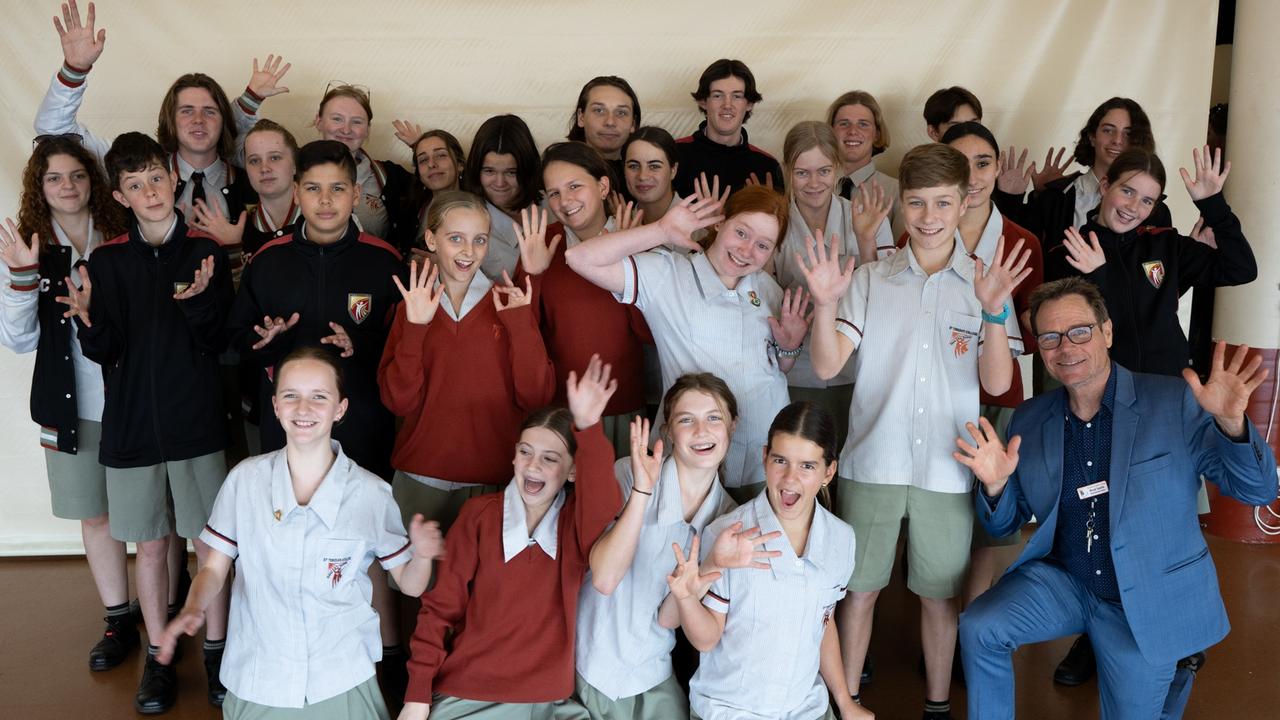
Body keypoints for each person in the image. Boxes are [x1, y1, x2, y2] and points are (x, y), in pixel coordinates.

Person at [955, 278, 1277, 720]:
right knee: (980, 627)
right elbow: (1003, 524)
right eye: (1049, 337)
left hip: (1141, 600)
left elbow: (1258, 490)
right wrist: (993, 486)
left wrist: (1232, 425)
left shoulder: (1172, 401)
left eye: (1080, 331)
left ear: (1106, 332)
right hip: (1066, 581)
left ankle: (1174, 666)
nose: (1065, 348)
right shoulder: (1030, 419)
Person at [803, 143, 1029, 719]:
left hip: (948, 468)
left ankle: (935, 705)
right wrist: (826, 304)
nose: (928, 217)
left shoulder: (982, 284)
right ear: (900, 205)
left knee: (939, 595)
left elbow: (998, 381)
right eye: (917, 203)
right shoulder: (873, 278)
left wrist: (997, 314)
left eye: (942, 203)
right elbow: (828, 366)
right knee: (860, 591)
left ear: (965, 202)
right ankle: (846, 701)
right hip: (872, 463)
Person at [157, 346, 445, 720]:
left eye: (319, 397)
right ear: (275, 406)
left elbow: (409, 584)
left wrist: (422, 555)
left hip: (339, 677)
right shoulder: (245, 480)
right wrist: (193, 607)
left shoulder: (371, 494)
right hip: (260, 675)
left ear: (340, 409)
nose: (303, 408)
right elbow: (214, 569)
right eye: (291, 395)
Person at [60, 131, 234, 713]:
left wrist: (199, 304)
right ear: (121, 196)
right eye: (135, 185)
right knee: (153, 549)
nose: (150, 191)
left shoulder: (205, 250)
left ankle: (216, 653)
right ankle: (158, 655)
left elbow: (220, 343)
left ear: (172, 179)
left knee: (210, 547)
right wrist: (87, 321)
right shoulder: (105, 262)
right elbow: (106, 351)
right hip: (132, 431)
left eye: (157, 178)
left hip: (196, 427)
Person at [400, 355, 625, 720]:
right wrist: (416, 697)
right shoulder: (478, 516)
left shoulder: (575, 525)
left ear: (572, 472)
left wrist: (588, 426)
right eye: (525, 453)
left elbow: (603, 502)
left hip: (550, 701)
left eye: (550, 458)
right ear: (514, 459)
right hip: (468, 694)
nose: (533, 465)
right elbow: (439, 610)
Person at [565, 181, 809, 499]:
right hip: (692, 459)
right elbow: (579, 257)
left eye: (763, 245)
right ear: (720, 222)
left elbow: (776, 368)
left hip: (763, 457)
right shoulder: (669, 274)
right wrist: (662, 230)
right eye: (742, 233)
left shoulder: (767, 289)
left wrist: (789, 345)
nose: (747, 250)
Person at [0, 135, 129, 672]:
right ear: (39, 186)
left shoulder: (121, 235)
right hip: (68, 408)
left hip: (131, 400)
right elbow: (18, 339)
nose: (68, 186)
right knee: (95, 519)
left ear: (92, 178)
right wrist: (22, 277)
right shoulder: (30, 246)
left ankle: (166, 610)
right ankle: (119, 619)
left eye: (77, 174)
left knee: (149, 520)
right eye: (54, 177)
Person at [39, 1, 290, 266]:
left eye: (209, 112)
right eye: (186, 111)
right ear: (169, 120)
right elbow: (53, 133)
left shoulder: (254, 177)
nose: (198, 120)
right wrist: (74, 70)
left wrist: (237, 248)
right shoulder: (134, 164)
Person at [669, 401, 867, 720]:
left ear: (828, 471)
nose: (790, 478)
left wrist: (844, 701)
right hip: (731, 710)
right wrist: (685, 597)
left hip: (806, 708)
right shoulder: (727, 534)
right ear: (764, 458)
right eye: (780, 460)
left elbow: (823, 624)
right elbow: (706, 639)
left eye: (807, 466)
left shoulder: (842, 539)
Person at [378, 190, 554, 532]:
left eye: (479, 240)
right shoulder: (411, 307)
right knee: (413, 585)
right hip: (420, 478)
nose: (468, 251)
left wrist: (521, 325)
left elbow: (536, 397)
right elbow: (398, 401)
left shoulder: (509, 304)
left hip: (494, 481)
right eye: (455, 238)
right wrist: (415, 328)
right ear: (431, 239)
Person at [574, 374, 740, 719]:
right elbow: (604, 579)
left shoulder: (729, 519)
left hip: (653, 671)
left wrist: (711, 564)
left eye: (714, 418)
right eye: (686, 420)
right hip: (590, 666)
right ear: (667, 432)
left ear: (732, 428)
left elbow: (668, 619)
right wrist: (641, 493)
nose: (701, 431)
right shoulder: (628, 474)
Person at [939, 121, 1044, 609]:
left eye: (983, 163)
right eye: (959, 164)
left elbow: (1032, 323)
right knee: (943, 507)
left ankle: (973, 623)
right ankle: (939, 618)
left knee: (994, 512)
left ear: (998, 168)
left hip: (999, 395)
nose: (974, 176)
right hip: (938, 390)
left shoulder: (1023, 240)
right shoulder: (921, 231)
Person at [1058, 147, 1256, 378]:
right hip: (1104, 390)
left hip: (1170, 386)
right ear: (1105, 186)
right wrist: (1099, 275)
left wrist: (1212, 205)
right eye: (1127, 191)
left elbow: (1242, 269)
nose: (1133, 208)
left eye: (1147, 201)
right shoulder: (1070, 250)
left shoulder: (1166, 244)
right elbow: (1072, 332)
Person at [526, 141, 653, 454]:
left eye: (574, 186)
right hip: (560, 410)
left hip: (623, 406)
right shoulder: (543, 242)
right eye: (553, 192)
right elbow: (524, 336)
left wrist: (627, 255)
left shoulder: (637, 238)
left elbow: (651, 333)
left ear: (603, 185)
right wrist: (533, 274)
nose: (564, 200)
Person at [772, 120, 892, 447]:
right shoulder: (773, 223)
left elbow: (883, 298)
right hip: (793, 370)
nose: (814, 183)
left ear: (838, 168)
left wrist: (866, 240)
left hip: (854, 369)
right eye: (802, 173)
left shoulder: (865, 217)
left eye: (824, 171)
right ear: (787, 170)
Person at [994, 97, 1173, 284]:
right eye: (1108, 130)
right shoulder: (1055, 197)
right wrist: (1022, 197)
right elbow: (1022, 257)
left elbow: (1161, 282)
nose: (1117, 140)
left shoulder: (1156, 212)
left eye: (1128, 134)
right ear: (1092, 136)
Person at [313, 83, 413, 248]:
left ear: (367, 129)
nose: (346, 130)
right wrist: (253, 101)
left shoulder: (389, 176)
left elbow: (437, 188)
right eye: (337, 119)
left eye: (357, 122)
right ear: (319, 121)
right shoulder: (293, 168)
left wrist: (421, 148)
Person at [673, 59, 783, 197]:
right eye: (718, 95)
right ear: (703, 102)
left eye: (737, 96)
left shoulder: (767, 166)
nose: (727, 105)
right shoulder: (673, 154)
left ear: (749, 104)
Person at [463, 114, 543, 281]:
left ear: (528, 170)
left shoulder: (556, 205)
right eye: (489, 171)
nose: (500, 183)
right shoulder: (465, 223)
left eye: (511, 172)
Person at [828, 91, 903, 238]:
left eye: (863, 124)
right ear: (830, 132)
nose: (853, 131)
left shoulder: (897, 192)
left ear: (877, 134)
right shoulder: (811, 187)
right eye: (844, 124)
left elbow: (900, 255)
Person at [567, 75, 641, 196]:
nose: (610, 122)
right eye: (599, 110)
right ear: (581, 117)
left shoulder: (647, 176)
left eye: (621, 112)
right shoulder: (557, 168)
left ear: (633, 122)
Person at [240, 119, 301, 258]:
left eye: (274, 158)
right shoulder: (240, 228)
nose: (264, 168)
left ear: (295, 164)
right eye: (254, 160)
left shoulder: (324, 218)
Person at [404, 129, 466, 248]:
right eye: (423, 160)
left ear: (460, 164)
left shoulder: (477, 210)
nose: (431, 164)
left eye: (441, 155)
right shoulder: (413, 209)